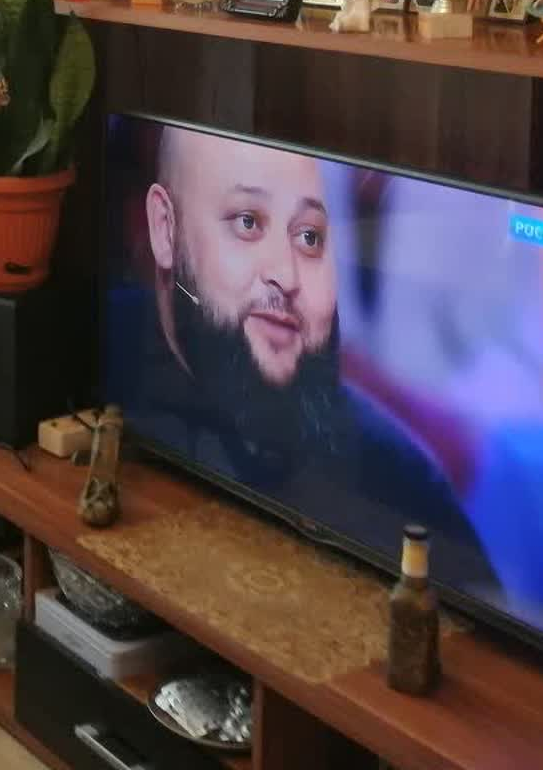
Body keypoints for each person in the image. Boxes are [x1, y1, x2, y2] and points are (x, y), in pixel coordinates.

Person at [105, 125, 497, 593]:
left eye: (309, 237)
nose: (286, 275)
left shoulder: (401, 482)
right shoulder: (103, 349)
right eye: (247, 223)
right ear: (163, 228)